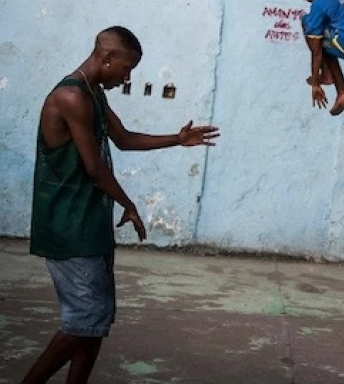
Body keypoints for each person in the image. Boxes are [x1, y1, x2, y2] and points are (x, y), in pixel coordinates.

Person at [21, 26, 219, 384]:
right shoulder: (70, 96)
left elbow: (124, 139)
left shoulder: (94, 93)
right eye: (126, 69)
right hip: (67, 225)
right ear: (107, 57)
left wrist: (177, 139)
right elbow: (94, 167)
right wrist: (128, 204)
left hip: (89, 222)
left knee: (95, 322)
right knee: (84, 319)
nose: (127, 77)